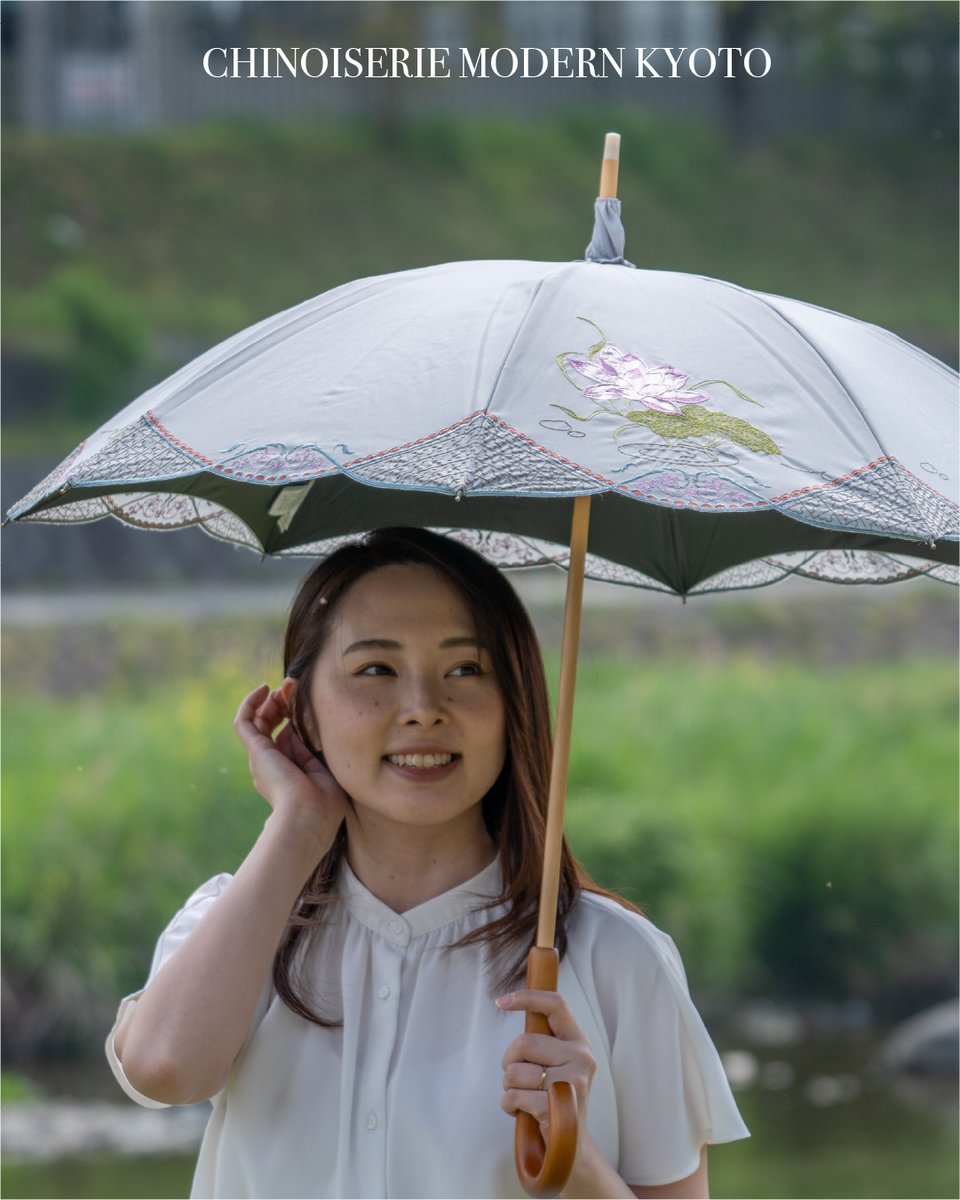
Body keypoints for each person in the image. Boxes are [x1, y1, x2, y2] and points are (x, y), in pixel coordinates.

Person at [107, 526, 748, 1199]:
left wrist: (575, 1162)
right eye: (376, 671)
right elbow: (166, 1070)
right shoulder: (237, 921)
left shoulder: (616, 960)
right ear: (302, 713)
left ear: (515, 703)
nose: (422, 710)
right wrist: (298, 823)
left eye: (466, 670)